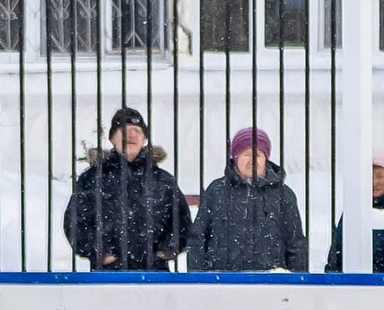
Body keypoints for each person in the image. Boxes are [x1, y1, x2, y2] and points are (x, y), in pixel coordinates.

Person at [63, 107, 189, 271]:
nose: (130, 135)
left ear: (144, 138)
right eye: (124, 130)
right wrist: (99, 252)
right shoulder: (92, 178)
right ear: (112, 139)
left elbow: (182, 222)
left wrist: (165, 250)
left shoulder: (163, 180)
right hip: (108, 275)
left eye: (137, 131)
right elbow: (74, 222)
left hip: (155, 275)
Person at [188, 127, 308, 272]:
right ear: (235, 158)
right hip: (222, 282)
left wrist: (297, 280)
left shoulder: (284, 195)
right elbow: (198, 238)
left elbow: (296, 244)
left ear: (266, 158)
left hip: (271, 283)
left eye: (257, 155)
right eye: (246, 154)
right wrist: (197, 278)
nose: (252, 161)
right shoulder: (216, 191)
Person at [325, 157, 384, 274]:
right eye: (369, 176)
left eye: (380, 176)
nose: (374, 182)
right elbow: (337, 252)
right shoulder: (353, 209)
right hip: (356, 283)